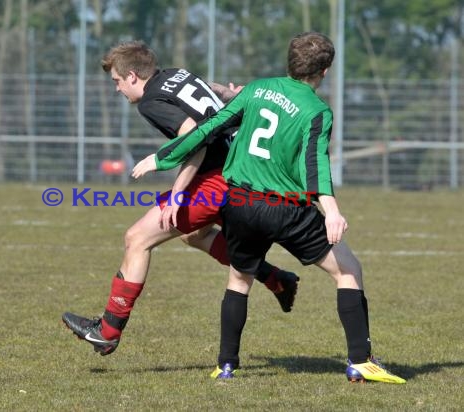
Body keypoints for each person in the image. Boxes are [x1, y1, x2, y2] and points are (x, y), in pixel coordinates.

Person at [132, 32, 406, 384]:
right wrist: (332, 210)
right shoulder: (317, 111)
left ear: (289, 61)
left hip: (239, 202)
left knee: (239, 279)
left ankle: (226, 364)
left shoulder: (257, 89)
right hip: (285, 209)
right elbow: (315, 164)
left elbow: (211, 126)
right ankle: (360, 361)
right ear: (324, 71)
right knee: (348, 270)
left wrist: (162, 156)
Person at [62, 40, 299, 356]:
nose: (117, 90)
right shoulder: (177, 74)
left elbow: (193, 139)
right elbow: (207, 90)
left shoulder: (150, 101)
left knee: (137, 239)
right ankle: (276, 279)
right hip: (237, 168)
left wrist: (176, 195)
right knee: (193, 235)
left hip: (216, 179)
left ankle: (107, 331)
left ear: (133, 76)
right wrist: (228, 95)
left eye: (117, 82)